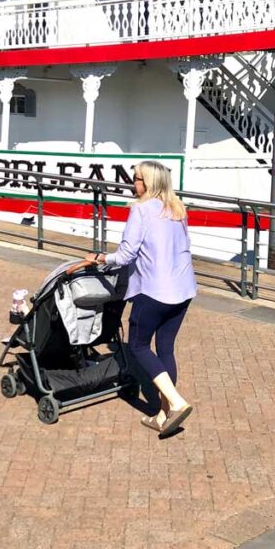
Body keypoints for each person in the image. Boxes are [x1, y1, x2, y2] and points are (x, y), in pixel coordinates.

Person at [85, 161, 196, 437]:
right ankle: (162, 414)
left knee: (138, 346)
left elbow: (125, 255)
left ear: (148, 184)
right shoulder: (177, 209)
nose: (132, 184)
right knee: (166, 348)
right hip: (183, 289)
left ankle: (176, 402)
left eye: (136, 179)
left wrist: (100, 259)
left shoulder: (141, 211)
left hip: (155, 290)